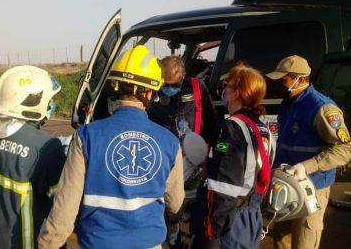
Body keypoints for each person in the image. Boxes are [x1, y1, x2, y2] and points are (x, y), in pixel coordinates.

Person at [38, 45, 185, 249]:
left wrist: (49, 244)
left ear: (116, 86)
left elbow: (66, 203)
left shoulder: (86, 135)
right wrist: (173, 219)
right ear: (150, 93)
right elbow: (175, 202)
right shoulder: (169, 141)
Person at [0, 65, 67, 249]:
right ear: (35, 102)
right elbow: (63, 202)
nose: (52, 105)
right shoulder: (48, 146)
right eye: (50, 100)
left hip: (1, 241)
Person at [266, 55, 351, 249]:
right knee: (281, 241)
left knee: (304, 242)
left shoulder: (322, 107)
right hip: (285, 185)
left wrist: (307, 166)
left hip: (312, 187)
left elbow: (344, 149)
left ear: (301, 79)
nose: (278, 85)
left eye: (283, 80)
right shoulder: (287, 104)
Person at [190, 63, 272, 249]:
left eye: (227, 85)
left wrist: (212, 233)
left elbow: (224, 187)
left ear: (236, 93)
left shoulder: (231, 128)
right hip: (250, 212)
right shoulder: (261, 127)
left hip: (230, 219)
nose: (223, 89)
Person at [147, 56, 218, 248]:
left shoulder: (196, 87)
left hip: (194, 159)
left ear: (183, 75)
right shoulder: (152, 90)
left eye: (175, 84)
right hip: (164, 158)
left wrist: (206, 147)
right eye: (165, 84)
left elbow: (211, 119)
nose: (169, 89)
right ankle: (172, 242)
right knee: (170, 206)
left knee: (198, 209)